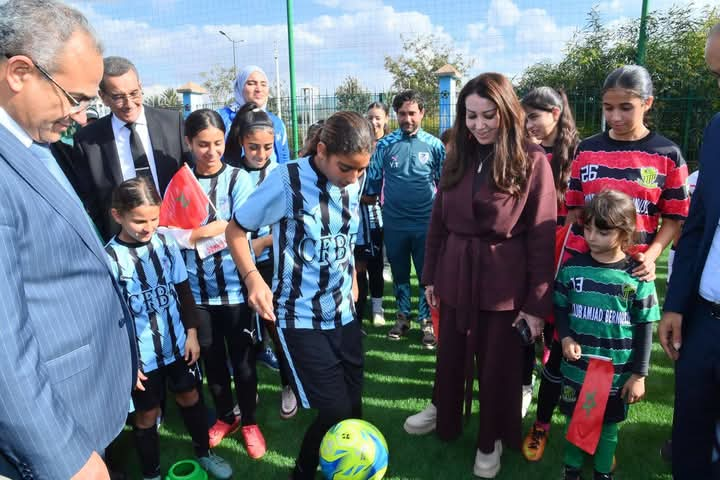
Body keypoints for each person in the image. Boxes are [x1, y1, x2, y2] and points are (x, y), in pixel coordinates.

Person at [0, 1, 135, 477]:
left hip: (82, 404)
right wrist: (61, 456)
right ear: (20, 72)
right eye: (73, 97)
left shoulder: (32, 141)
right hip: (52, 440)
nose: (80, 116)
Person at [403, 73, 556, 479]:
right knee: (450, 354)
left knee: (497, 368)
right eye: (471, 116)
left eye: (488, 115)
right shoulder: (459, 153)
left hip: (504, 282)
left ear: (507, 112)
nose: (480, 125)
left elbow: (542, 237)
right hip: (455, 272)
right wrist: (432, 276)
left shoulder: (532, 159)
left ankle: (491, 440)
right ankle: (443, 410)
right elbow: (438, 220)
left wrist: (536, 305)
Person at [226, 111, 374, 480]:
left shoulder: (355, 177)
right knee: (336, 410)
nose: (353, 178)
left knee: (353, 410)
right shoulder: (286, 180)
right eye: (346, 168)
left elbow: (347, 228)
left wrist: (352, 273)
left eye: (361, 169)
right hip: (299, 317)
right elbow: (235, 231)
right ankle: (304, 472)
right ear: (322, 151)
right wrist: (253, 279)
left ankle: (342, 470)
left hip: (343, 311)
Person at [106, 177, 233, 480]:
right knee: (147, 415)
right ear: (117, 215)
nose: (148, 226)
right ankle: (152, 474)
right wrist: (127, 361)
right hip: (142, 357)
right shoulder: (109, 258)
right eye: (139, 221)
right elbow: (110, 317)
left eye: (154, 217)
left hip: (178, 345)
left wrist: (191, 332)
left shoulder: (164, 242)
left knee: (190, 396)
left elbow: (183, 290)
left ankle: (204, 452)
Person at [164, 109, 267, 457]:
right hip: (198, 293)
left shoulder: (240, 179)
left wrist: (193, 235)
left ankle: (250, 422)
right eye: (203, 144)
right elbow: (168, 235)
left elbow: (243, 229)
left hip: (236, 289)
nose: (211, 151)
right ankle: (226, 417)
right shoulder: (179, 183)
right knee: (213, 364)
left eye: (218, 143)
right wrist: (209, 230)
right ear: (189, 143)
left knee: (243, 362)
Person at [557, 190, 660, 480]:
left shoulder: (637, 276)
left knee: (608, 425)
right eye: (587, 228)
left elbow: (645, 327)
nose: (591, 236)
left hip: (616, 373)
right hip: (578, 369)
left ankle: (603, 472)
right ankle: (572, 468)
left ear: (624, 233)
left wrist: (639, 375)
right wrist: (565, 337)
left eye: (602, 231)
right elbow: (561, 307)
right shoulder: (572, 268)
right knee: (574, 420)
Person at [659, 23, 720, 479]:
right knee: (691, 446)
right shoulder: (718, 130)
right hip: (703, 320)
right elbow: (697, 225)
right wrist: (677, 305)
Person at [565, 65, 689, 281]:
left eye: (625, 107)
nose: (615, 116)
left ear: (647, 103)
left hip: (633, 271)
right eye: (608, 107)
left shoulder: (668, 155)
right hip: (583, 268)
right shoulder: (586, 150)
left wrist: (650, 257)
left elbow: (674, 217)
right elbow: (574, 211)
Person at [224, 102, 299, 420]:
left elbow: (292, 222)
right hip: (236, 265)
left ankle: (289, 383)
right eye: (253, 147)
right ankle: (245, 390)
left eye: (267, 147)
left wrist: (265, 241)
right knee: (239, 332)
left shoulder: (283, 173)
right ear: (241, 142)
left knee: (277, 327)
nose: (260, 153)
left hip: (273, 264)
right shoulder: (230, 174)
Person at [519, 86, 582, 456]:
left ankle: (568, 413)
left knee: (561, 340)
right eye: (523, 117)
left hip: (568, 257)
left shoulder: (578, 154)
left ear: (555, 113)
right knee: (528, 325)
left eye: (534, 116)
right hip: (531, 254)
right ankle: (527, 395)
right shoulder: (526, 153)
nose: (527, 125)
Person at [72, 56, 189, 242]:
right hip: (123, 244)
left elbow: (189, 177)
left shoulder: (172, 123)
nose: (128, 104)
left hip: (176, 234)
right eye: (118, 97)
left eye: (134, 93)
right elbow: (90, 200)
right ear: (103, 97)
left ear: (141, 86)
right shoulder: (88, 141)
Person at [366, 90, 445, 347]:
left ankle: (426, 321)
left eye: (412, 113)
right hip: (394, 223)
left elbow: (444, 186)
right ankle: (402, 317)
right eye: (402, 114)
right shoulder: (385, 146)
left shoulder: (435, 146)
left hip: (426, 223)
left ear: (422, 113)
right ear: (395, 115)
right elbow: (373, 184)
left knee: (426, 275)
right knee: (400, 273)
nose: (407, 118)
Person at [355, 101, 390, 327]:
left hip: (378, 216)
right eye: (370, 117)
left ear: (386, 118)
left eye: (378, 117)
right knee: (359, 265)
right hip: (357, 217)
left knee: (376, 263)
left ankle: (378, 308)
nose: (374, 121)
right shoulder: (359, 144)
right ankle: (358, 310)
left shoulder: (390, 145)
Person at [218, 65, 290, 164]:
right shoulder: (220, 118)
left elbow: (284, 158)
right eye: (251, 84)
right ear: (239, 87)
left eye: (263, 84)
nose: (259, 89)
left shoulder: (277, 123)